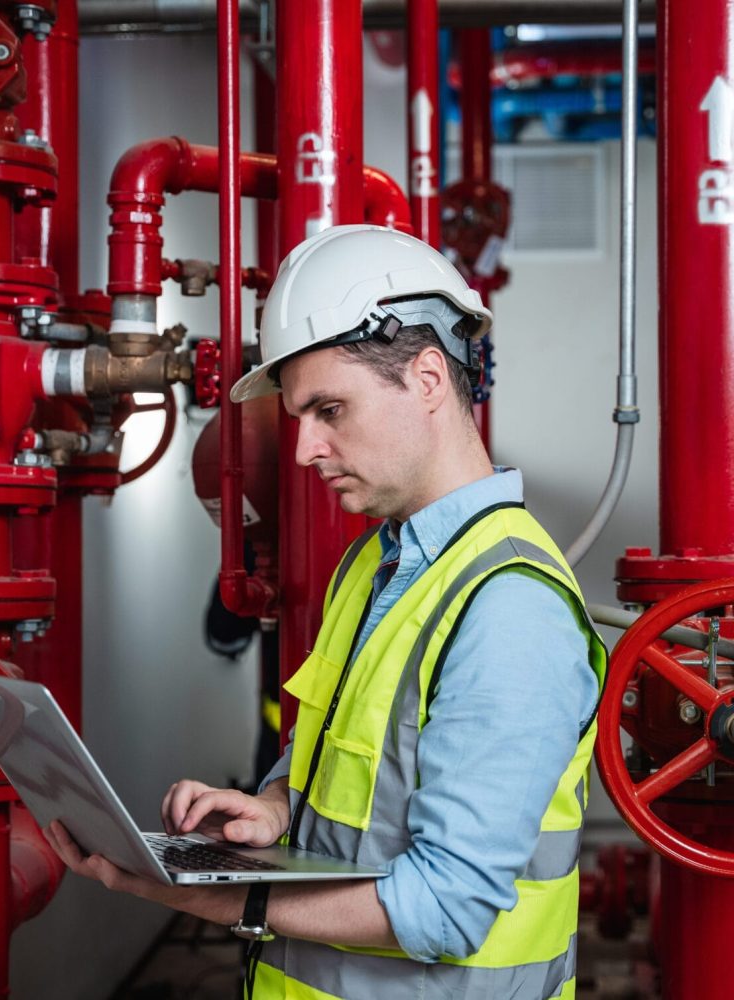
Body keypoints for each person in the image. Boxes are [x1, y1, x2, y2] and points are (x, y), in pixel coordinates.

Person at [45, 224, 606, 1000]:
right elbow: (344, 765)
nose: (306, 449)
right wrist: (273, 808)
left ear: (429, 377)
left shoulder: (508, 607)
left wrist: (187, 890)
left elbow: (446, 907)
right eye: (300, 415)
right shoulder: (375, 564)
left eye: (330, 409)